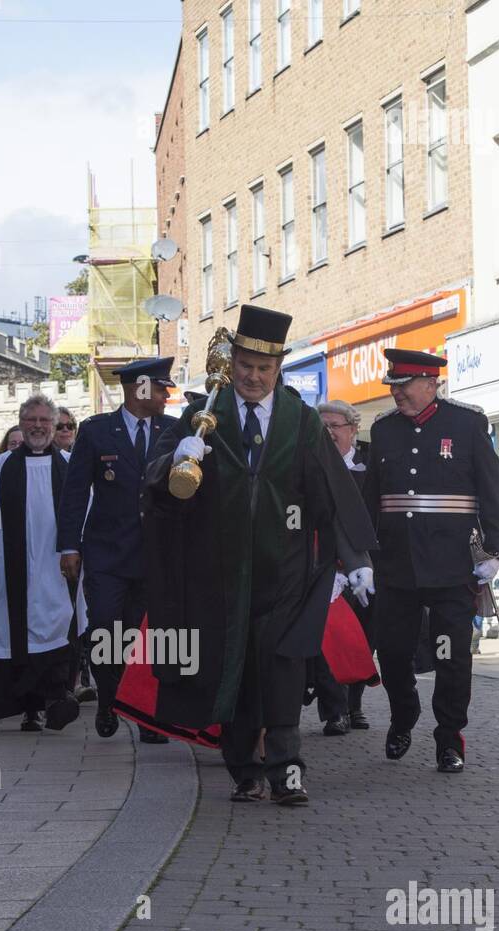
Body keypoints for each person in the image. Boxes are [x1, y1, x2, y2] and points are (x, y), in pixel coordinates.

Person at [139, 305, 376, 806]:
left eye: (264, 369)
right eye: (245, 365)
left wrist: (355, 559)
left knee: (282, 672)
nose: (253, 376)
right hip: (219, 573)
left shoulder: (300, 420)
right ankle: (245, 770)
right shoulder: (205, 415)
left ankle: (288, 772)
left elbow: (331, 492)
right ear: (235, 364)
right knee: (237, 672)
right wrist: (178, 457)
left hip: (283, 571)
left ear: (278, 370)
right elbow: (155, 478)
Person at [364, 348, 499, 773]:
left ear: (431, 384)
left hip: (450, 568)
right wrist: (362, 558)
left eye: (404, 386)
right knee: (392, 653)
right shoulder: (385, 431)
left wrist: (495, 554)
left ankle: (449, 737)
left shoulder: (465, 425)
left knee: (451, 657)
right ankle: (403, 714)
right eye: (393, 386)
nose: (397, 394)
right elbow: (370, 499)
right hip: (396, 566)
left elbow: (491, 493)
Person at [0, 393, 86, 732]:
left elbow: (83, 512)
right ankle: (29, 707)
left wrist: (79, 550)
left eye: (44, 421)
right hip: (12, 567)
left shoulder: (69, 464)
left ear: (53, 426)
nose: (38, 426)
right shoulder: (1, 466)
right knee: (16, 632)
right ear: (22, 424)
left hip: (55, 566)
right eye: (31, 420)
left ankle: (57, 697)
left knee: (57, 625)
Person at [57, 357, 176, 744]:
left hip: (155, 555)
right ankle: (109, 699)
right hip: (107, 554)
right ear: (138, 388)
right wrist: (69, 547)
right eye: (159, 387)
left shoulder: (174, 431)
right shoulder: (96, 432)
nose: (165, 394)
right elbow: (75, 494)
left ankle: (146, 714)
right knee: (106, 630)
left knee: (147, 636)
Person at [307, 399, 375, 733]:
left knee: (362, 638)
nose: (329, 433)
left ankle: (354, 704)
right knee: (326, 640)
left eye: (336, 426)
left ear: (352, 429)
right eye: (323, 427)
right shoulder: (311, 464)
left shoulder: (371, 465)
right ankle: (335, 710)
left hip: (365, 568)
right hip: (323, 567)